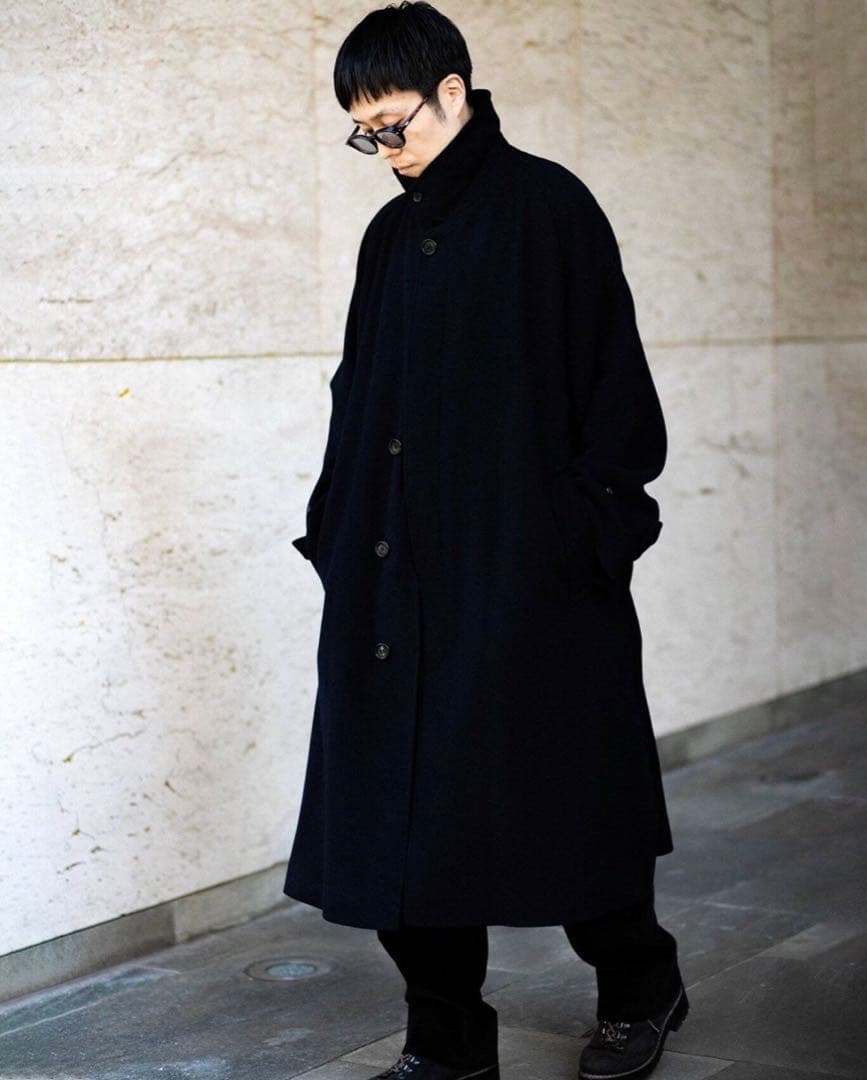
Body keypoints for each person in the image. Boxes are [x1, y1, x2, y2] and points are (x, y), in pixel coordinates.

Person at [283, 3, 689, 1078]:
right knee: (398, 828)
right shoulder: (387, 238)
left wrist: (576, 538)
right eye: (364, 132)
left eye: (395, 123)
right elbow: (359, 394)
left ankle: (639, 986)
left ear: (453, 93)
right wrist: (335, 531)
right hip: (390, 576)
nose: (384, 148)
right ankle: (449, 1041)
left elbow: (616, 396)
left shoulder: (548, 208)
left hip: (526, 577)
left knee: (567, 812)